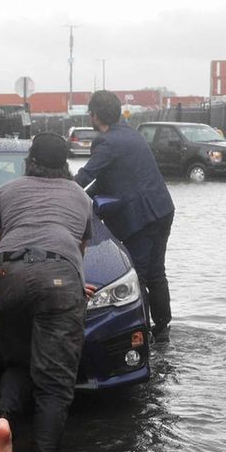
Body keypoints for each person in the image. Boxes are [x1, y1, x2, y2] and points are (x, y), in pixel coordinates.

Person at [0, 133, 96, 452]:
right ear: (66, 164)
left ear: (29, 159)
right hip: (59, 277)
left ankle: (3, 420)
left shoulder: (5, 192)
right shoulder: (81, 198)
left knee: (18, 363)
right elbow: (76, 255)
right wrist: (70, 286)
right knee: (53, 387)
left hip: (6, 276)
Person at [73, 90, 176, 340]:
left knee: (137, 274)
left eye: (90, 112)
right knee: (156, 272)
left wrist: (60, 190)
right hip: (162, 209)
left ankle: (139, 333)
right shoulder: (131, 134)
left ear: (95, 115)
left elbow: (87, 176)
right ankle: (162, 327)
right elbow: (105, 178)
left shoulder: (106, 142)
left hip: (141, 217)